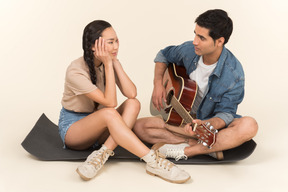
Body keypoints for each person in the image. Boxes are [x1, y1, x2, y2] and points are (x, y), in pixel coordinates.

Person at [58, 20, 190, 183]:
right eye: (110, 42)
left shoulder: (109, 63)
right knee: (109, 113)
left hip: (100, 126)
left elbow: (131, 93)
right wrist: (108, 64)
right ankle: (153, 161)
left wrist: (115, 64)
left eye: (117, 41)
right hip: (74, 129)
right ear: (94, 46)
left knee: (133, 103)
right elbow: (110, 103)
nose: (116, 47)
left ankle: (101, 154)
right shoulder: (75, 70)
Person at [133, 9, 258, 161]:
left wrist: (204, 124)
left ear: (219, 41)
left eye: (201, 38)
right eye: (195, 34)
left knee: (249, 125)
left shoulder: (234, 74)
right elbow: (163, 55)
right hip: (182, 122)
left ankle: (188, 150)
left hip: (209, 126)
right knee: (139, 127)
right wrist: (158, 83)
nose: (195, 41)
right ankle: (209, 147)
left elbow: (225, 114)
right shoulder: (189, 51)